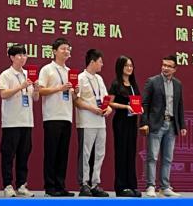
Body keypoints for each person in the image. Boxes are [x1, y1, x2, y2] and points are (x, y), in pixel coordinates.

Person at [140, 54, 187, 198]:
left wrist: (182, 125)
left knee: (167, 158)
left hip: (171, 125)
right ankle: (150, 186)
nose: (165, 68)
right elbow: (144, 104)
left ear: (175, 69)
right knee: (152, 157)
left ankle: (165, 187)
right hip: (156, 124)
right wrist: (144, 123)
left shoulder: (177, 84)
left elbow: (179, 105)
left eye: (169, 66)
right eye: (164, 65)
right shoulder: (152, 81)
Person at [0, 43, 37, 197]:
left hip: (27, 121)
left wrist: (37, 89)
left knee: (24, 154)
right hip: (11, 122)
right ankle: (8, 185)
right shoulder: (6, 74)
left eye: (24, 55)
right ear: (12, 57)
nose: (23, 58)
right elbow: (3, 94)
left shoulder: (29, 74)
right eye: (19, 55)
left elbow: (35, 98)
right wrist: (21, 86)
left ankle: (21, 184)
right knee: (8, 155)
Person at [37, 37, 73, 196]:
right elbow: (41, 90)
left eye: (68, 49)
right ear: (54, 51)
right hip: (52, 116)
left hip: (67, 115)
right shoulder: (47, 69)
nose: (66, 51)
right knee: (51, 153)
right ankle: (50, 187)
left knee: (63, 154)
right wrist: (60, 88)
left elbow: (73, 94)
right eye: (63, 49)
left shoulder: (70, 71)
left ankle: (60, 185)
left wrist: (76, 90)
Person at [74, 48, 111, 197]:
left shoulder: (99, 79)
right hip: (86, 121)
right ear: (92, 62)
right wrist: (92, 108)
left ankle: (95, 183)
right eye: (100, 62)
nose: (102, 64)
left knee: (99, 153)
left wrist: (108, 109)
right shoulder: (81, 78)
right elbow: (77, 101)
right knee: (86, 153)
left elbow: (106, 99)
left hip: (100, 122)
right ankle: (84, 184)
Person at [108, 55, 140, 197]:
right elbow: (109, 103)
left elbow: (136, 101)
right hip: (121, 121)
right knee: (121, 153)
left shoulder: (133, 84)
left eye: (131, 66)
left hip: (132, 122)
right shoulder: (116, 84)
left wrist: (139, 109)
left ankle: (132, 185)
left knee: (131, 153)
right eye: (126, 65)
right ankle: (121, 187)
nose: (129, 68)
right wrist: (125, 107)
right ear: (121, 67)